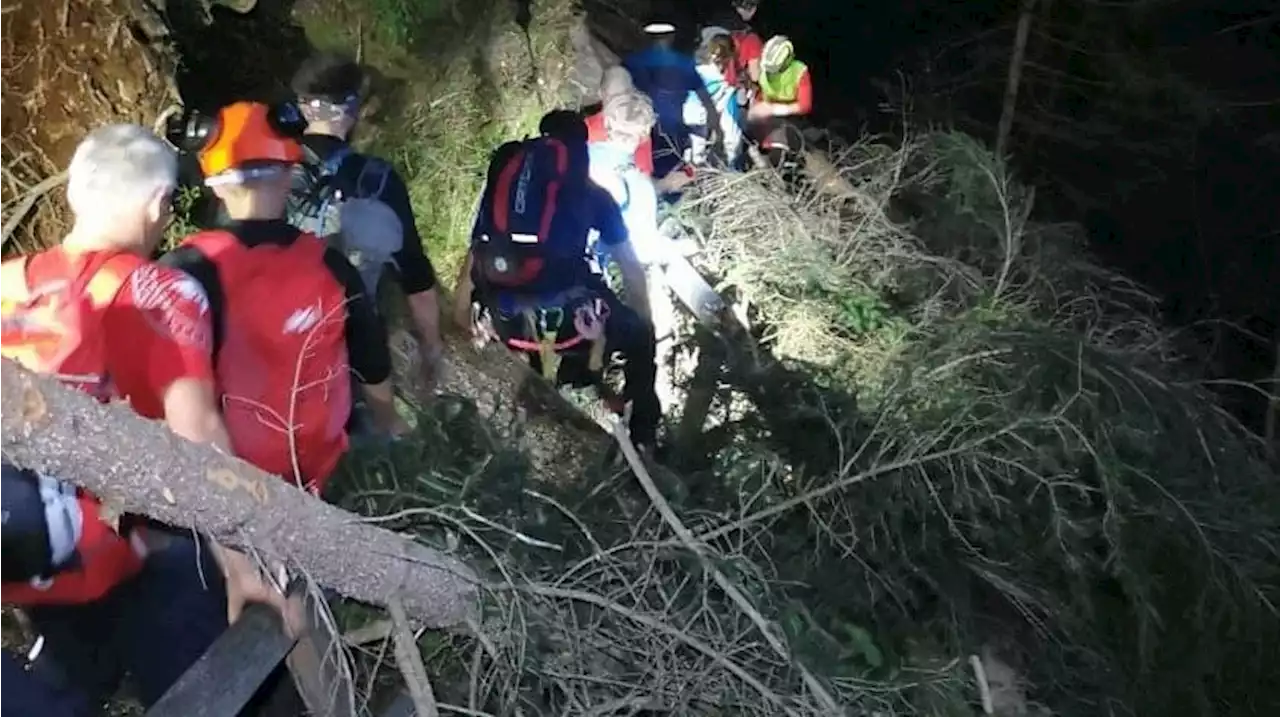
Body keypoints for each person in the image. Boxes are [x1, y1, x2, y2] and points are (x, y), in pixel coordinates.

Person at [0, 124, 283, 714]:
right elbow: (196, 433)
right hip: (130, 556)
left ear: (74, 194)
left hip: (29, 561)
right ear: (157, 205)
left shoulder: (5, 284)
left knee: (69, 682)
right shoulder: (156, 290)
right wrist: (241, 563)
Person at [162, 100, 406, 498]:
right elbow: (373, 362)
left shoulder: (186, 271)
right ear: (289, 175)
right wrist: (391, 423)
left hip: (226, 485)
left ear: (215, 181)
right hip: (323, 477)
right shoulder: (330, 264)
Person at [452, 110, 662, 448]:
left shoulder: (507, 185)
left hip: (506, 320)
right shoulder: (592, 195)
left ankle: (552, 388)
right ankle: (643, 437)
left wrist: (461, 314)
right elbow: (631, 270)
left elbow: (478, 250)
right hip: (570, 326)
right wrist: (644, 324)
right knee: (637, 337)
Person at [285, 52, 447, 403]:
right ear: (350, 109)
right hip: (344, 346)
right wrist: (432, 348)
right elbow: (416, 280)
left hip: (268, 335)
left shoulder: (268, 165)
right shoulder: (376, 180)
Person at [623, 21, 722, 181]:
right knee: (672, 178)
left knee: (642, 175)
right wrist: (717, 128)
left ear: (646, 37)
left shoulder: (632, 62)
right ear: (672, 37)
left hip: (641, 132)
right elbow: (705, 99)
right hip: (673, 133)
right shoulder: (684, 64)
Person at [748, 35, 813, 175]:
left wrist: (773, 109)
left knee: (786, 143)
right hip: (767, 114)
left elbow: (805, 105)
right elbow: (759, 90)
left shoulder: (799, 71)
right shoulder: (764, 66)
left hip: (790, 115)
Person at [684, 33, 747, 169]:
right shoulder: (718, 76)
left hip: (692, 116)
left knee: (695, 152)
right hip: (700, 115)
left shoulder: (699, 70)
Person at [703, 0, 764, 92]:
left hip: (709, 86)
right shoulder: (751, 39)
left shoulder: (711, 27)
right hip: (732, 92)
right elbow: (755, 76)